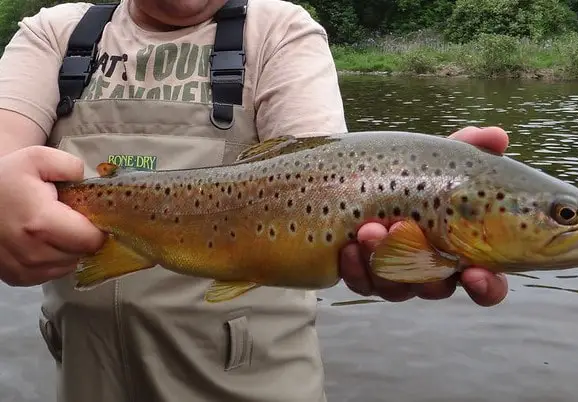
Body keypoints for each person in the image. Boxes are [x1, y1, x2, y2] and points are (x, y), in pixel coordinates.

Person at [0, 0, 509, 401]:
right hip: (85, 372)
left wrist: (413, 178)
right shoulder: (54, 32)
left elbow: (322, 175)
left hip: (248, 374)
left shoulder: (280, 30)